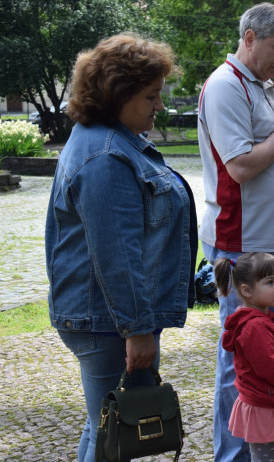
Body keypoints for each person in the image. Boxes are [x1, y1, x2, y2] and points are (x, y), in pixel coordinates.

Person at [45, 33, 198, 462]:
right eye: (151, 96)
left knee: (105, 424)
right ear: (119, 94)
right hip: (108, 320)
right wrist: (137, 329)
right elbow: (117, 256)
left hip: (106, 315)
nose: (160, 106)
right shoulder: (106, 156)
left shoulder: (106, 139)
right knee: (111, 437)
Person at [197, 2, 274, 461]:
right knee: (241, 359)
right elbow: (242, 166)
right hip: (242, 240)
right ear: (250, 37)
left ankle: (262, 448)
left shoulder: (267, 89)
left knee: (272, 351)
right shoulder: (226, 86)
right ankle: (233, 457)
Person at [213, 253, 274, 462]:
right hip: (261, 405)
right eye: (270, 282)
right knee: (262, 458)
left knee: (265, 454)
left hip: (264, 400)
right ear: (247, 290)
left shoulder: (263, 316)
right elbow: (269, 366)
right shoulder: (255, 327)